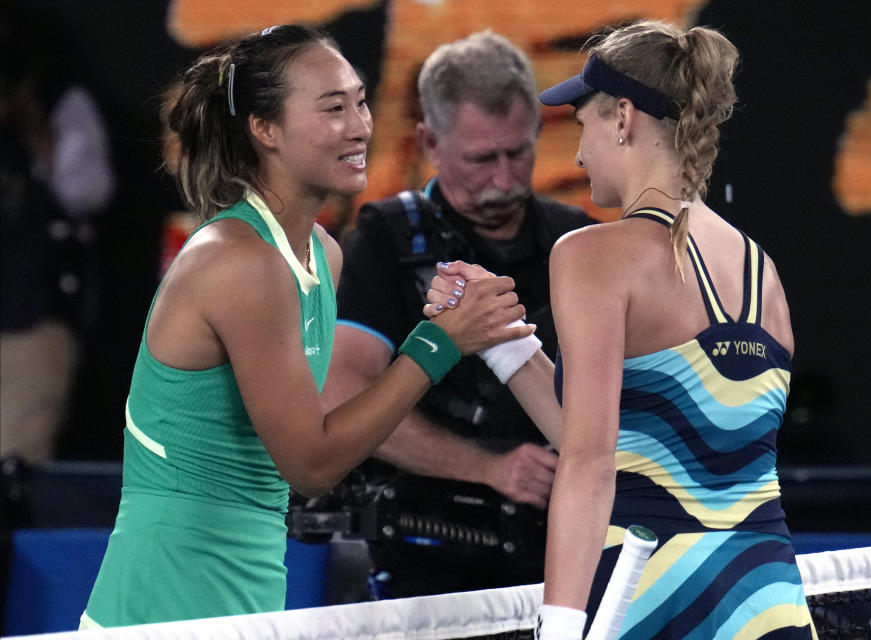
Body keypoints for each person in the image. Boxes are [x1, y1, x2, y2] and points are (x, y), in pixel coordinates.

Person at [79, 24, 532, 629]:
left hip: (249, 593)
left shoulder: (321, 253)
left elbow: (314, 438)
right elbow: (312, 465)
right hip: (162, 603)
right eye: (333, 108)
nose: (360, 126)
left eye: (361, 101)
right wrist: (440, 342)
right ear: (265, 129)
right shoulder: (238, 261)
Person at [427, 19, 817, 640]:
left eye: (581, 125)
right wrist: (505, 342)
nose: (578, 154)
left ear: (623, 118)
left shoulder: (592, 254)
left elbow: (589, 463)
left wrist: (557, 628)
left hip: (652, 608)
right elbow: (635, 447)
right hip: (770, 607)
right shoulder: (760, 268)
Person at [323, 30, 594, 598]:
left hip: (563, 562)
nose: (502, 179)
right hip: (425, 564)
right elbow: (343, 396)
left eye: (517, 152)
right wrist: (486, 466)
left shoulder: (578, 241)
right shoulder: (384, 241)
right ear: (427, 140)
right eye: (480, 159)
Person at [0, 5, 115, 464]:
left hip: (30, 318)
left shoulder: (58, 101)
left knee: (15, 457)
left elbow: (88, 192)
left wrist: (28, 122)